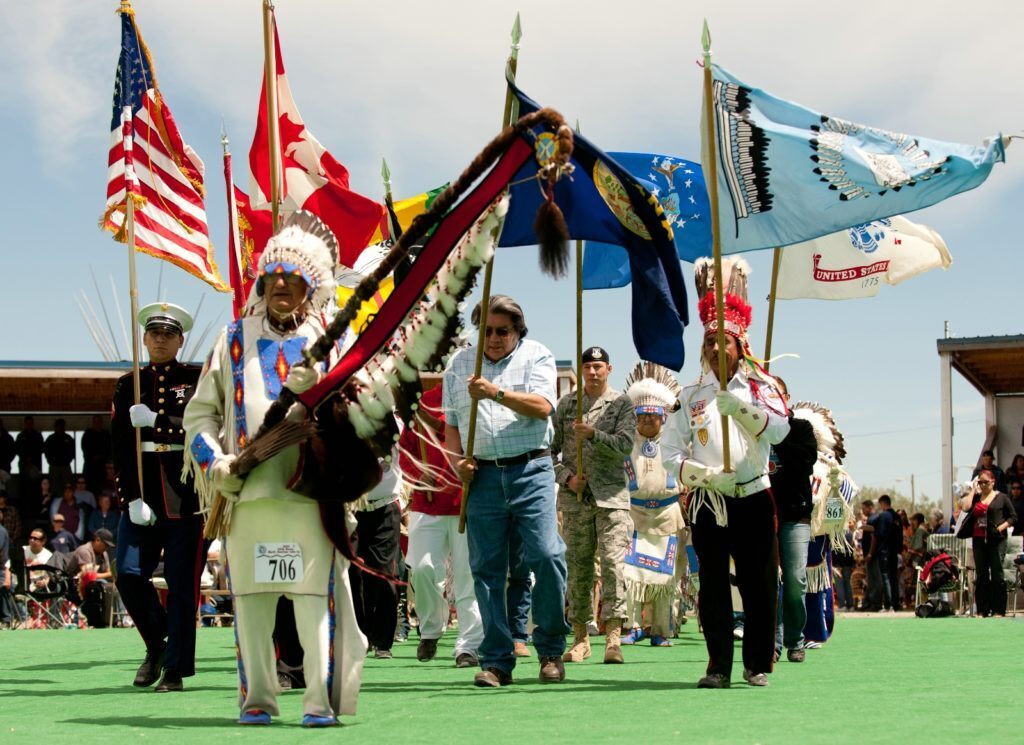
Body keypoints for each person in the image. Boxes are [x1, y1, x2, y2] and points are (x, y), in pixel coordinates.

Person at [183, 212, 366, 727]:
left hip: (311, 497)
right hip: (248, 498)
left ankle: (317, 702)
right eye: (273, 279)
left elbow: (366, 407)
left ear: (311, 286)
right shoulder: (233, 339)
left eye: (293, 279)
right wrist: (215, 463)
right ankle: (258, 699)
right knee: (252, 604)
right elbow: (199, 414)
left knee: (314, 603)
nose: (282, 286)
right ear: (262, 283)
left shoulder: (333, 340)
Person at [661, 258, 790, 689]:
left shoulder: (763, 389)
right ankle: (717, 665)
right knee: (712, 585)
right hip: (709, 501)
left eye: (725, 341)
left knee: (758, 583)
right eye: (709, 341)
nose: (717, 349)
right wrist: (699, 474)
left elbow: (781, 429)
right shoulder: (691, 395)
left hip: (754, 495)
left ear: (740, 344)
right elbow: (669, 452)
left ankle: (756, 663)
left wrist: (746, 412)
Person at [443, 294, 570, 687]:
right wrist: (456, 462)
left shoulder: (538, 355)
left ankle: (550, 650)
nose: (494, 339)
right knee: (486, 570)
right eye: (486, 331)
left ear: (518, 331)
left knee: (546, 555)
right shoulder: (458, 364)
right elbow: (450, 425)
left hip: (531, 469)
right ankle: (497, 661)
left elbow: (544, 407)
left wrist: (495, 392)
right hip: (481, 478)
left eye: (502, 331)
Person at [111, 302, 204, 693]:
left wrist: (160, 424)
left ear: (180, 340)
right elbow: (118, 446)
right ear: (145, 339)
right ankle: (158, 644)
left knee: (182, 586)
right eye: (154, 334)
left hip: (184, 494)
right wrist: (131, 497)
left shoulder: (197, 378)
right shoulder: (128, 383)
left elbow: (205, 429)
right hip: (143, 492)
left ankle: (175, 670)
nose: (160, 340)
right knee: (130, 575)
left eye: (168, 335)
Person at [552, 346, 635, 665]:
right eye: (587, 366)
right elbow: (549, 452)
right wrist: (567, 478)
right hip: (576, 500)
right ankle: (580, 638)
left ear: (609, 369)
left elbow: (626, 446)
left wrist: (594, 435)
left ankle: (613, 637)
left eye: (598, 366)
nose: (592, 372)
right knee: (579, 568)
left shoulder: (621, 403)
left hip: (612, 498)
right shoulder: (567, 405)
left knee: (613, 565)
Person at [399, 384, 483, 669]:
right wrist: (418, 472)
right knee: (421, 568)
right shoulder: (423, 400)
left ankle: (469, 646)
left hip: (466, 502)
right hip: (427, 504)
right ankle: (431, 628)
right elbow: (404, 451)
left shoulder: (475, 397)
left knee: (467, 577)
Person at [619, 361, 685, 648]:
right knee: (631, 574)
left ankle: (660, 630)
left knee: (665, 575)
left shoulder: (675, 443)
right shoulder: (625, 443)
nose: (647, 420)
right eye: (642, 416)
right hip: (634, 514)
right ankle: (633, 626)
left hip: (668, 515)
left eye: (653, 416)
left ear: (663, 418)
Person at [767, 379, 818, 664]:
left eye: (779, 395)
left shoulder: (801, 429)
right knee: (769, 581)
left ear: (787, 398)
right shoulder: (755, 429)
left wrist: (778, 432)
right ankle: (771, 641)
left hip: (795, 515)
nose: (775, 399)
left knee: (796, 580)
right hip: (763, 515)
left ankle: (795, 639)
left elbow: (805, 461)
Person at [351, 452, 403, 660]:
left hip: (385, 506)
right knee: (352, 572)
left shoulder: (395, 425)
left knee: (384, 575)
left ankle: (382, 642)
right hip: (352, 508)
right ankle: (359, 637)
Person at [959, 470, 1017, 617]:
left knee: (997, 574)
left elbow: (1013, 517)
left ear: (993, 482)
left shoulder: (1001, 497)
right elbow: (965, 507)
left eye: (985, 482)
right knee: (982, 575)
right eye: (980, 482)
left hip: (996, 539)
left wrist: (1001, 528)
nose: (983, 485)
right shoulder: (977, 497)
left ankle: (998, 609)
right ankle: (982, 609)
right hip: (978, 540)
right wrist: (973, 489)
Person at [876, 495, 902, 610]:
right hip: (894, 552)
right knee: (894, 577)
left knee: (886, 577)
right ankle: (896, 603)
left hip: (884, 551)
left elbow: (880, 534)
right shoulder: (897, 517)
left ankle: (888, 604)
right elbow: (900, 535)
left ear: (883, 503)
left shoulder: (883, 516)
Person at [856, 500, 882, 611]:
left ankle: (875, 604)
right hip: (871, 555)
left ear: (870, 507)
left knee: (874, 580)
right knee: (871, 580)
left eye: (864, 508)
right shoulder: (873, 519)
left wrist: (870, 553)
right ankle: (869, 603)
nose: (863, 511)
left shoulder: (872, 519)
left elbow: (873, 538)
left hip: (872, 555)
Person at [44, 420, 76, 499]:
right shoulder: (50, 439)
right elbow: (46, 451)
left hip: (65, 466)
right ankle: (55, 503)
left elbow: (73, 452)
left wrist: (68, 460)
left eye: (62, 426)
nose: (60, 428)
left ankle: (67, 502)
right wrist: (51, 461)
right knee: (54, 487)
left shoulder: (68, 438)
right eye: (59, 426)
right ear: (55, 427)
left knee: (67, 486)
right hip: (54, 467)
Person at [81, 415, 112, 496]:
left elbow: (109, 448)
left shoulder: (105, 434)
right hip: (90, 466)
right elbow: (84, 447)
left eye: (99, 421)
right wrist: (92, 456)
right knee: (89, 487)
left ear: (101, 422)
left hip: (102, 466)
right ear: (93, 422)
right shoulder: (87, 434)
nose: (97, 423)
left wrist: (101, 456)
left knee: (102, 488)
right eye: (95, 421)